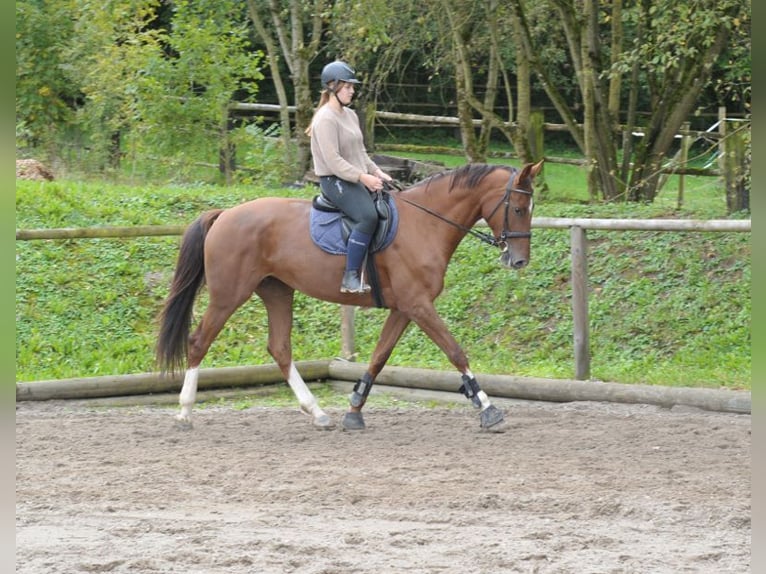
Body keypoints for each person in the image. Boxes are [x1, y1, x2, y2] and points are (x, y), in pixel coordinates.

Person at [306, 61, 392, 294]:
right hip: (335, 181)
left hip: (355, 176)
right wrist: (363, 178)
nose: (352, 91)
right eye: (347, 87)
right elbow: (333, 161)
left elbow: (360, 152)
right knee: (367, 216)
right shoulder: (325, 119)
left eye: (352, 87)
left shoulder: (351, 115)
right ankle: (350, 276)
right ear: (332, 86)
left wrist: (375, 171)